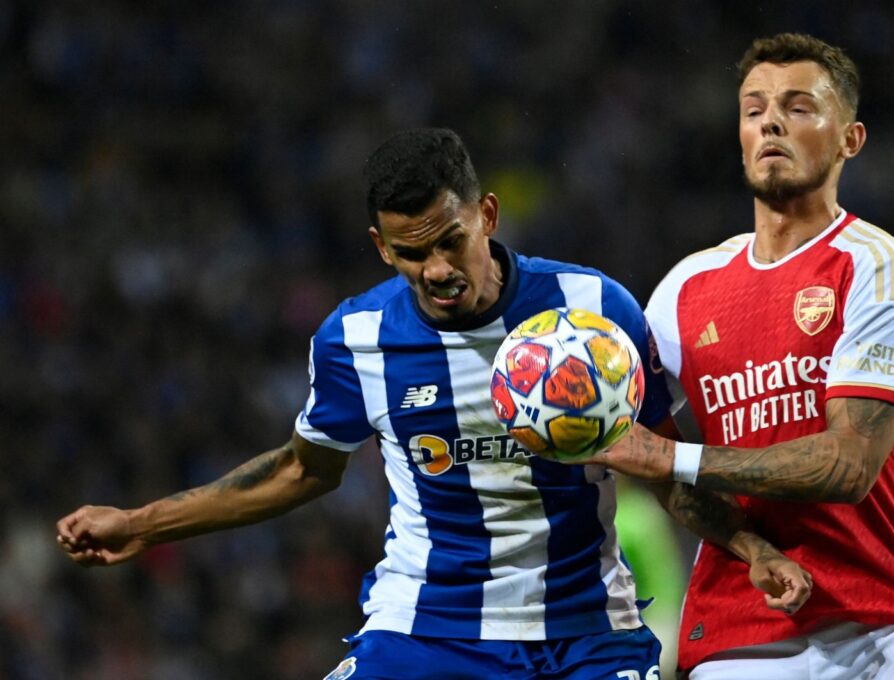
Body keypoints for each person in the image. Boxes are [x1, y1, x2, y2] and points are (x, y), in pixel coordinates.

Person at [56, 128, 810, 680]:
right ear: (383, 249)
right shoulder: (357, 338)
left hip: (585, 632)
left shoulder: (592, 308)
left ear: (486, 213)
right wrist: (142, 524)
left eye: (451, 240)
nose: (438, 269)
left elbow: (656, 462)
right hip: (425, 633)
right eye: (412, 253)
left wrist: (751, 549)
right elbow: (299, 471)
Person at [575, 34, 894, 679]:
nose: (771, 122)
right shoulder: (682, 291)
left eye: (799, 107)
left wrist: (675, 455)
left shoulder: (882, 269)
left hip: (880, 619)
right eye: (754, 110)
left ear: (851, 139)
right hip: (737, 628)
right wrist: (747, 544)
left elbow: (849, 466)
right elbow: (643, 449)